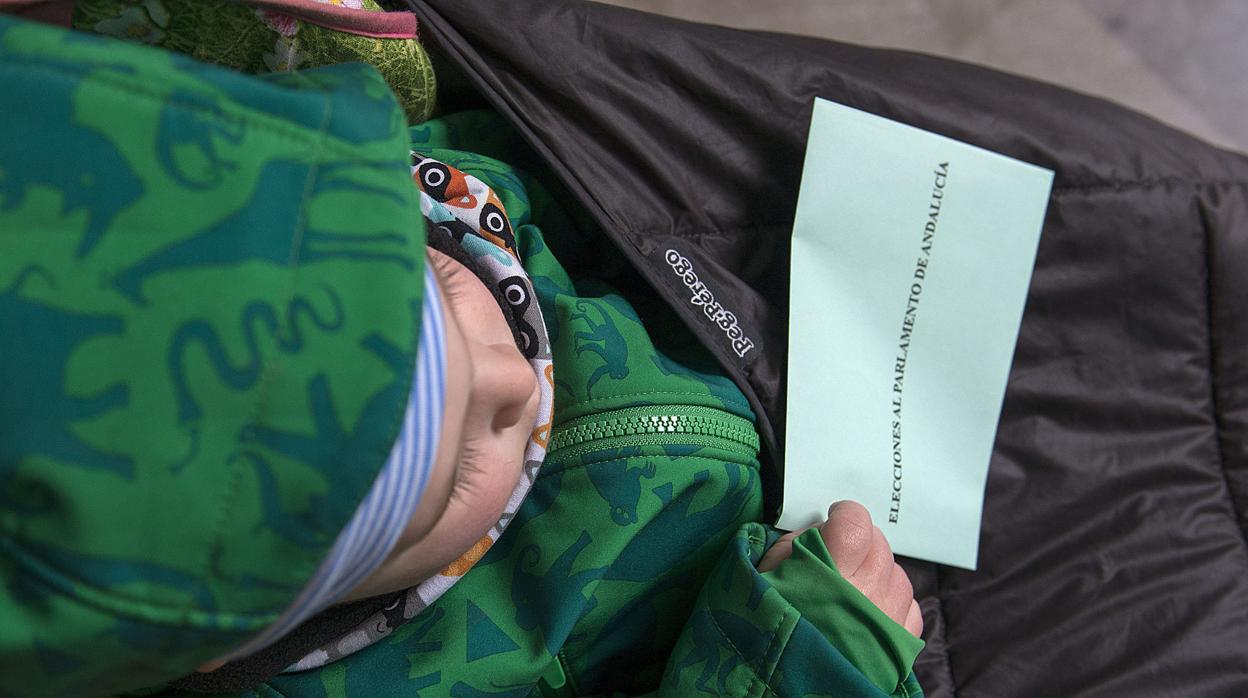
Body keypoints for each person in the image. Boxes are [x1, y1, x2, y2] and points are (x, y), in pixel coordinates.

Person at [0, 10, 924, 697]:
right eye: (450, 476)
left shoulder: (377, 175)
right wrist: (798, 664)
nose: (516, 371)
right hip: (868, 584)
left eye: (438, 292)